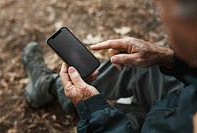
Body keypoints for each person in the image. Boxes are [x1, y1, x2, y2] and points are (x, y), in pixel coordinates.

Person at [22, 0, 196, 133]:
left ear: (191, 28)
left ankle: (51, 87)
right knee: (137, 66)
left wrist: (92, 110)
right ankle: (49, 86)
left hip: (160, 120)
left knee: (119, 118)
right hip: (178, 98)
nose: (162, 18)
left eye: (163, 10)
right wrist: (168, 58)